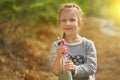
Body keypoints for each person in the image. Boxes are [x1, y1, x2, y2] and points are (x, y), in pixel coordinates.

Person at [50, 3, 97, 80]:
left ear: (78, 23)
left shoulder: (88, 44)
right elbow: (56, 72)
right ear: (60, 23)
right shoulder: (56, 45)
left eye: (72, 20)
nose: (67, 24)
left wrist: (75, 69)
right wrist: (59, 56)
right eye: (64, 20)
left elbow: (92, 67)